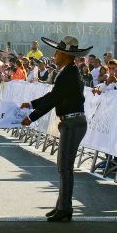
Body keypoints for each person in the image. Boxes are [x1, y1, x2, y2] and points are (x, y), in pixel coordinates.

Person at [20, 36, 91, 222]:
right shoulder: (67, 71)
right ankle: (62, 205)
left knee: (65, 167)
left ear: (66, 55)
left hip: (73, 122)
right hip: (70, 122)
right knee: (63, 167)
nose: (55, 55)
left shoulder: (69, 73)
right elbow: (53, 95)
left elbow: (54, 98)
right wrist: (31, 104)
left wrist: (31, 116)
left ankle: (65, 208)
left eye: (58, 52)